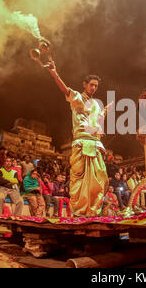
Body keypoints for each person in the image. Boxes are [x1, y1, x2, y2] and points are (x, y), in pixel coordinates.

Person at [45, 60, 110, 217]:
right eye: (91, 85)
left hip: (95, 143)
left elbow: (97, 123)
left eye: (96, 86)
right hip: (81, 142)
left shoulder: (96, 104)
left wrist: (105, 113)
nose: (93, 88)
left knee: (98, 179)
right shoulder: (77, 98)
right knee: (79, 179)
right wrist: (55, 74)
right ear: (85, 84)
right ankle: (79, 213)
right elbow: (65, 89)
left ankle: (93, 212)